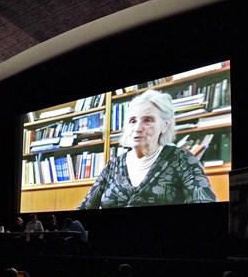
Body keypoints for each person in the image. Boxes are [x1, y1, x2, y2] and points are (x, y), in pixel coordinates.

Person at [77, 89, 216, 209]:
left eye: (148, 120)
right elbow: (84, 209)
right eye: (132, 121)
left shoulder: (182, 159)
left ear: (165, 125)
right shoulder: (112, 166)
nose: (137, 128)